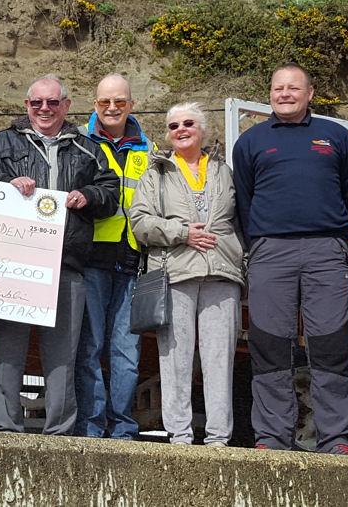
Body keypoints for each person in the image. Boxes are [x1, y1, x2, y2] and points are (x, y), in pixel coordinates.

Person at [232, 63, 348, 454]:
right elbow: (245, 199)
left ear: (310, 93)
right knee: (270, 345)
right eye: (278, 88)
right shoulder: (251, 142)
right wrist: (260, 242)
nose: (285, 94)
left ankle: (336, 438)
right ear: (269, 93)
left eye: (293, 88)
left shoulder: (336, 137)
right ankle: (272, 436)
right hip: (271, 251)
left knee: (331, 344)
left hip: (326, 250)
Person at [0, 74, 119, 435]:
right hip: (14, 261)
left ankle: (60, 430)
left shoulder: (88, 148)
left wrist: (88, 195)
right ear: (26, 105)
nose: (44, 109)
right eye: (36, 102)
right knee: (9, 347)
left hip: (67, 263)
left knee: (63, 354)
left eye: (52, 102)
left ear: (66, 106)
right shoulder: (0, 144)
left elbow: (110, 191)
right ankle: (6, 427)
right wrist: (6, 186)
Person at [130, 102, 243, 446]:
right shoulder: (156, 173)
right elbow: (139, 222)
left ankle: (218, 438)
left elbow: (242, 218)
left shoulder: (225, 171)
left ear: (203, 129)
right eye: (174, 125)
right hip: (175, 272)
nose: (181, 129)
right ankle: (179, 434)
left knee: (219, 358)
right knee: (175, 358)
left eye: (188, 123)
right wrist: (182, 233)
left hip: (222, 272)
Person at [74, 74, 149, 439]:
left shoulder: (148, 154)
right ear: (95, 104)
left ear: (131, 104)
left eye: (119, 101)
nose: (112, 108)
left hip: (133, 261)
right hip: (91, 259)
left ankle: (123, 428)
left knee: (127, 353)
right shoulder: (80, 144)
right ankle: (91, 425)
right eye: (105, 102)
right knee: (90, 347)